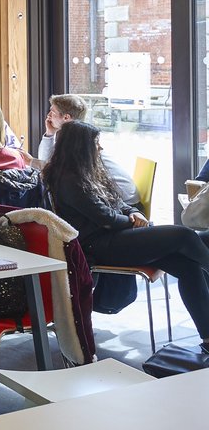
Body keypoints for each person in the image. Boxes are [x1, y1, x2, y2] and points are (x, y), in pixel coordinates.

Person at [45, 120, 209, 353]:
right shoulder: (68, 181)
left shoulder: (87, 172)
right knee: (184, 235)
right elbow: (105, 218)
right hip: (97, 245)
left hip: (115, 236)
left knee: (187, 267)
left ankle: (208, 339)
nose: (100, 148)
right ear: (81, 147)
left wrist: (133, 212)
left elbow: (119, 202)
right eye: (96, 143)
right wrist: (132, 221)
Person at [29, 93, 140, 206]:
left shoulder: (79, 141)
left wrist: (30, 161)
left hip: (124, 203)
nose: (48, 116)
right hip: (116, 198)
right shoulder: (78, 135)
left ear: (66, 117)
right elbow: (48, 163)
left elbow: (52, 168)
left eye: (52, 112)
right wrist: (50, 133)